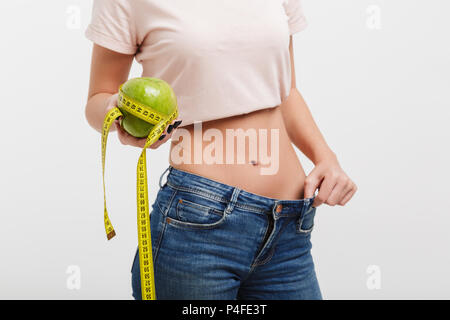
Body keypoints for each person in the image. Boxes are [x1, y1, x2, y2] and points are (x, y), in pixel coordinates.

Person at [84, 0, 357, 300]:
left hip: (290, 227)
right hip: (199, 225)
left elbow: (285, 90)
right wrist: (118, 115)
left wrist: (325, 157)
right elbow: (99, 97)